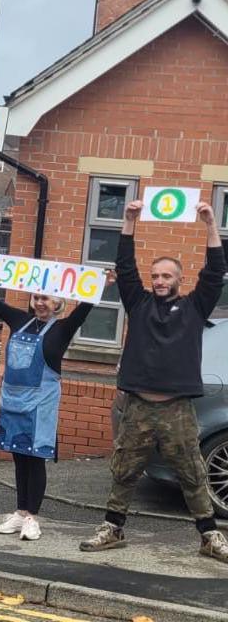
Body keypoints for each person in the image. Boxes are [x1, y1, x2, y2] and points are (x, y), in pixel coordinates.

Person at [79, 200, 227, 562]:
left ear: (179, 279)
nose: (160, 280)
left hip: (177, 409)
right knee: (124, 470)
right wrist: (128, 221)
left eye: (167, 276)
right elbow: (125, 266)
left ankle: (210, 536)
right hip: (139, 407)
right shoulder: (139, 303)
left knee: (192, 473)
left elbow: (215, 271)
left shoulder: (195, 307)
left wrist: (210, 224)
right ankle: (112, 528)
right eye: (156, 275)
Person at [0, 282, 94, 541]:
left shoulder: (62, 328)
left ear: (57, 303)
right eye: (36, 298)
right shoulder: (19, 320)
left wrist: (100, 286)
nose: (40, 303)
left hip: (40, 406)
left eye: (45, 298)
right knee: (19, 458)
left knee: (35, 459)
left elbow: (85, 308)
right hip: (13, 402)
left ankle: (33, 517)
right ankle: (20, 512)